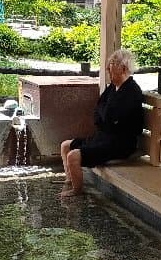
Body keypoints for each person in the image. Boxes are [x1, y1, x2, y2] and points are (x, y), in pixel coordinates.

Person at [60, 48, 143, 197]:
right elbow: (99, 108)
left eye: (111, 66)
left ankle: (77, 191)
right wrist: (104, 116)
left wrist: (104, 115)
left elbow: (110, 116)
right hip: (103, 137)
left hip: (120, 143)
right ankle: (69, 180)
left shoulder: (132, 91)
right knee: (65, 146)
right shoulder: (113, 87)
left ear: (123, 68)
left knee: (73, 156)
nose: (107, 70)